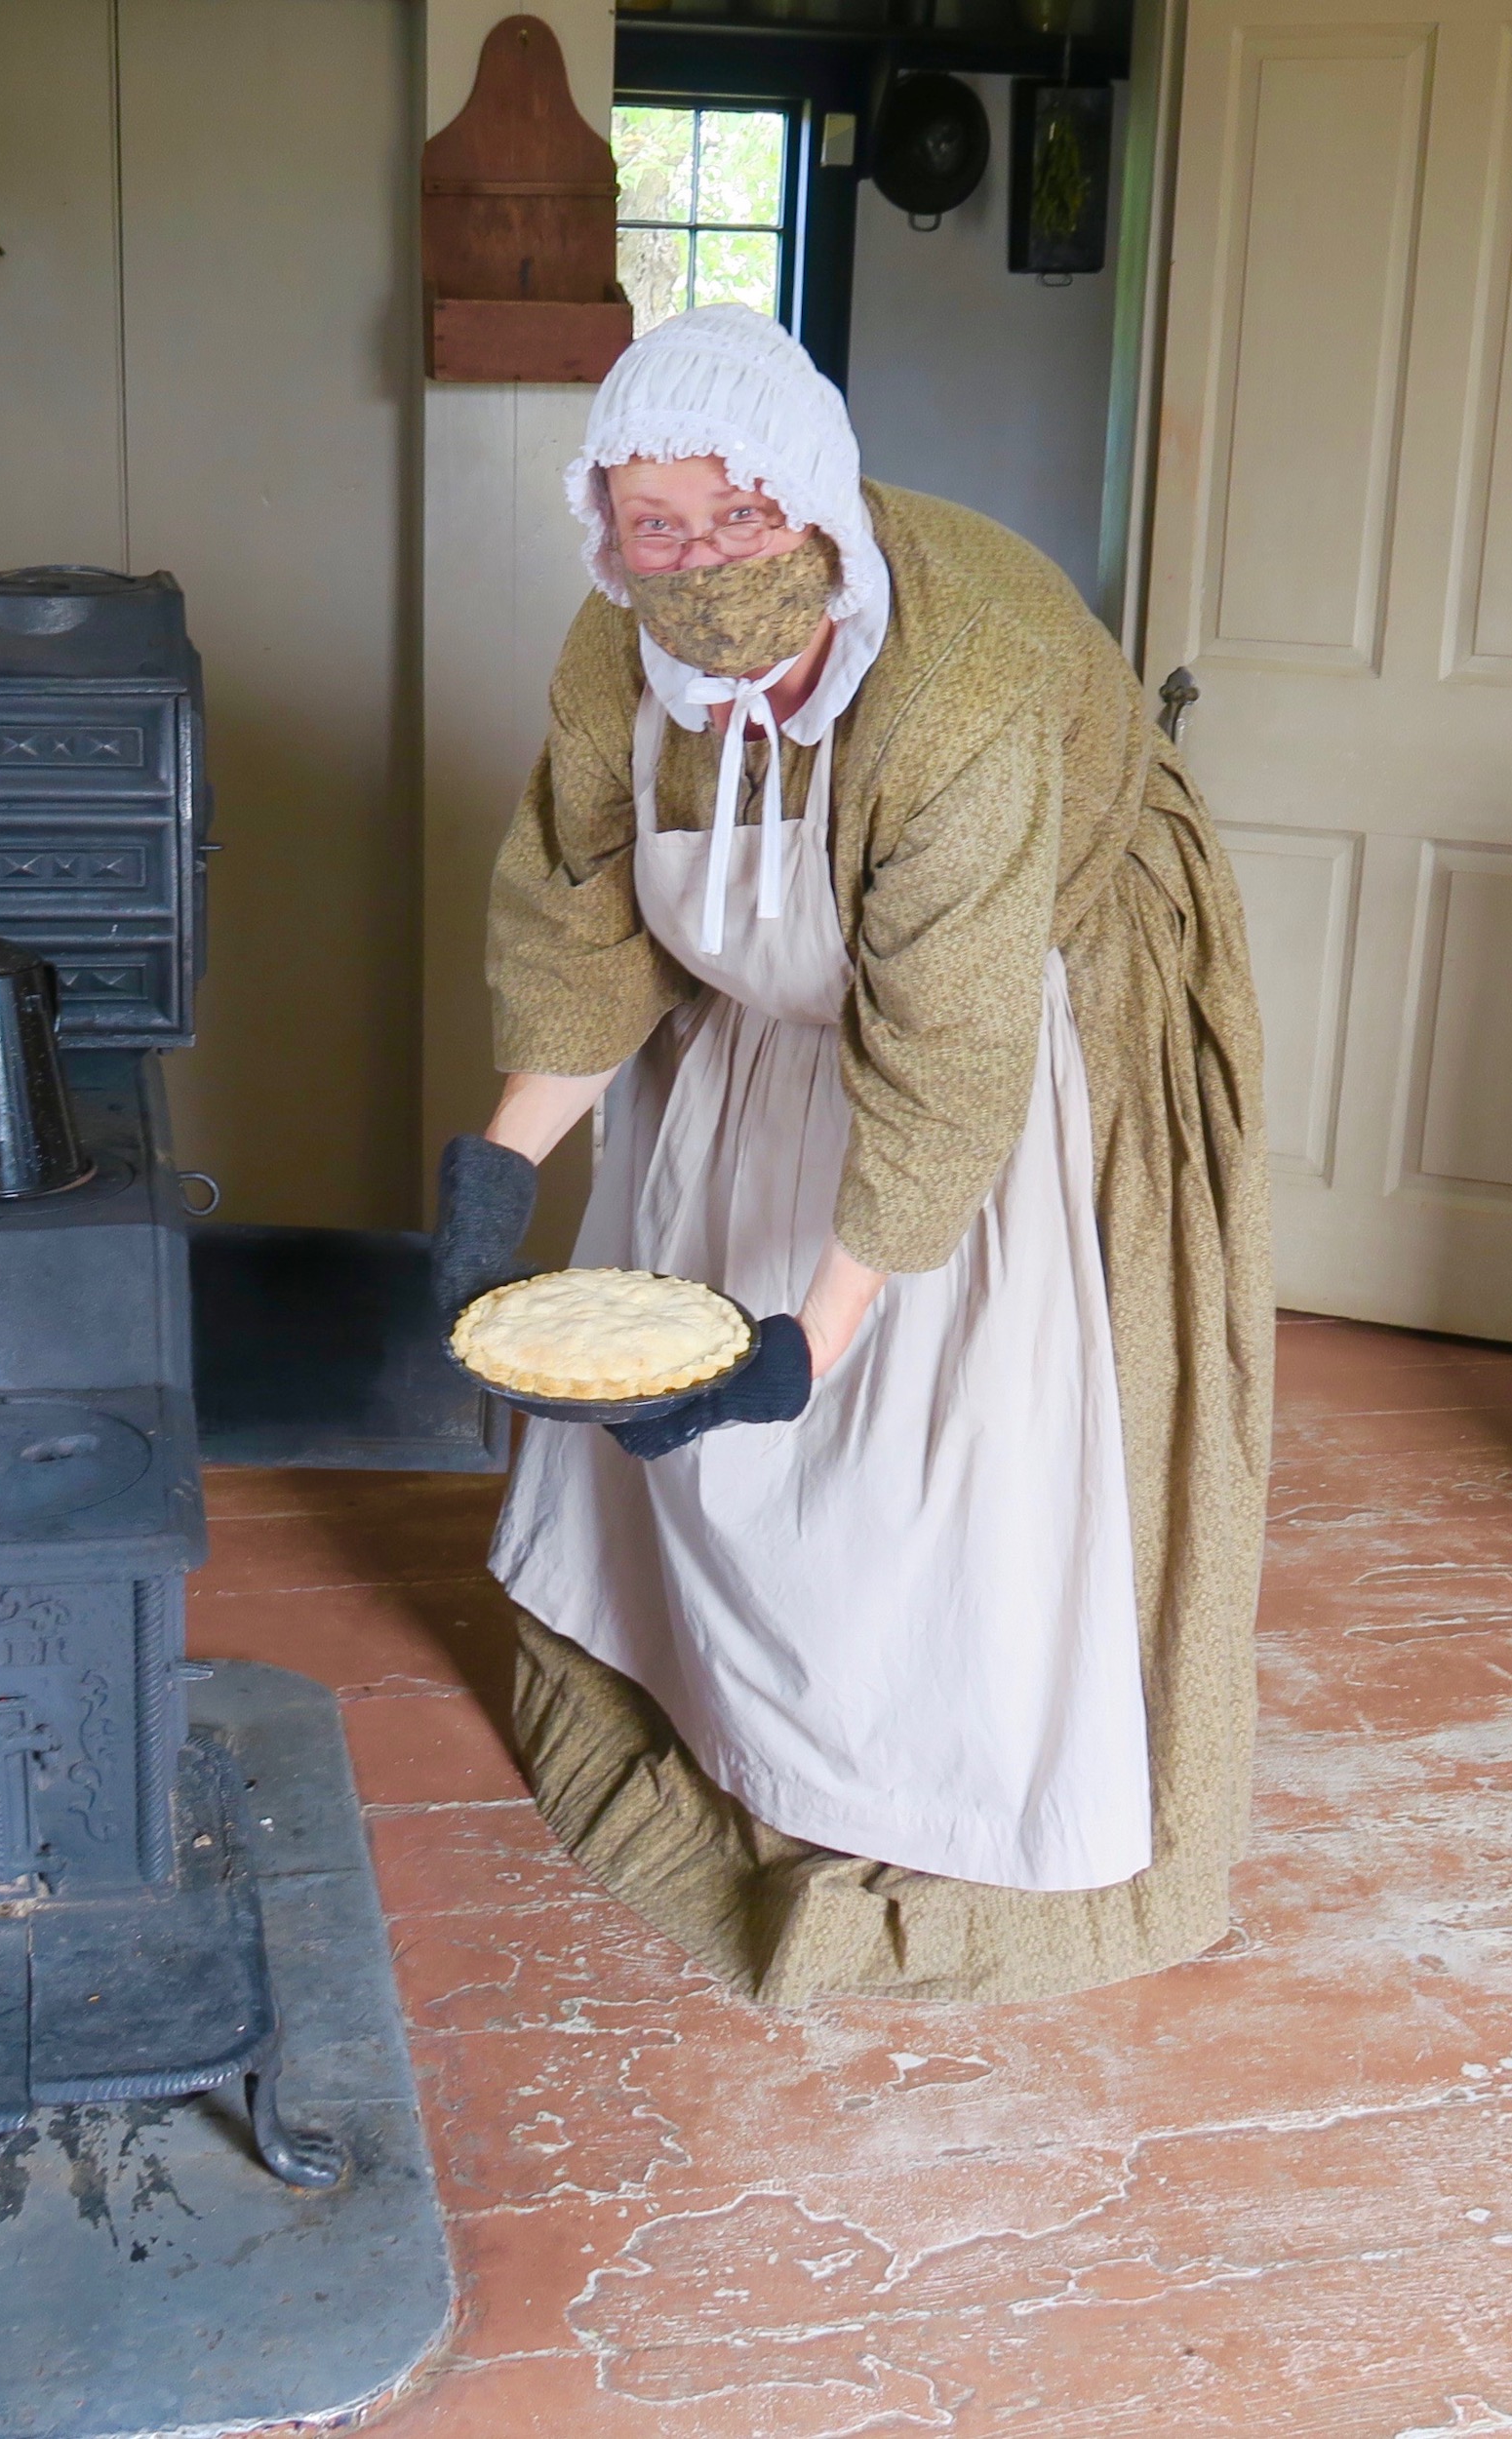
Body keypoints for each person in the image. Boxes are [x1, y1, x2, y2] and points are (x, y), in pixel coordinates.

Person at [430, 304, 1270, 2005]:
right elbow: (582, 920)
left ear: (814, 501)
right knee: (705, 1422)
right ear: (607, 531)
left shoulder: (963, 678)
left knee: (935, 1456)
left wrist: (808, 1336)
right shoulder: (618, 656)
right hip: (761, 1013)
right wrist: (497, 1172)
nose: (703, 565)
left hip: (1005, 1016)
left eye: (741, 520)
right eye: (657, 527)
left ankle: (928, 1788)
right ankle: (713, 1710)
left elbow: (946, 1052)